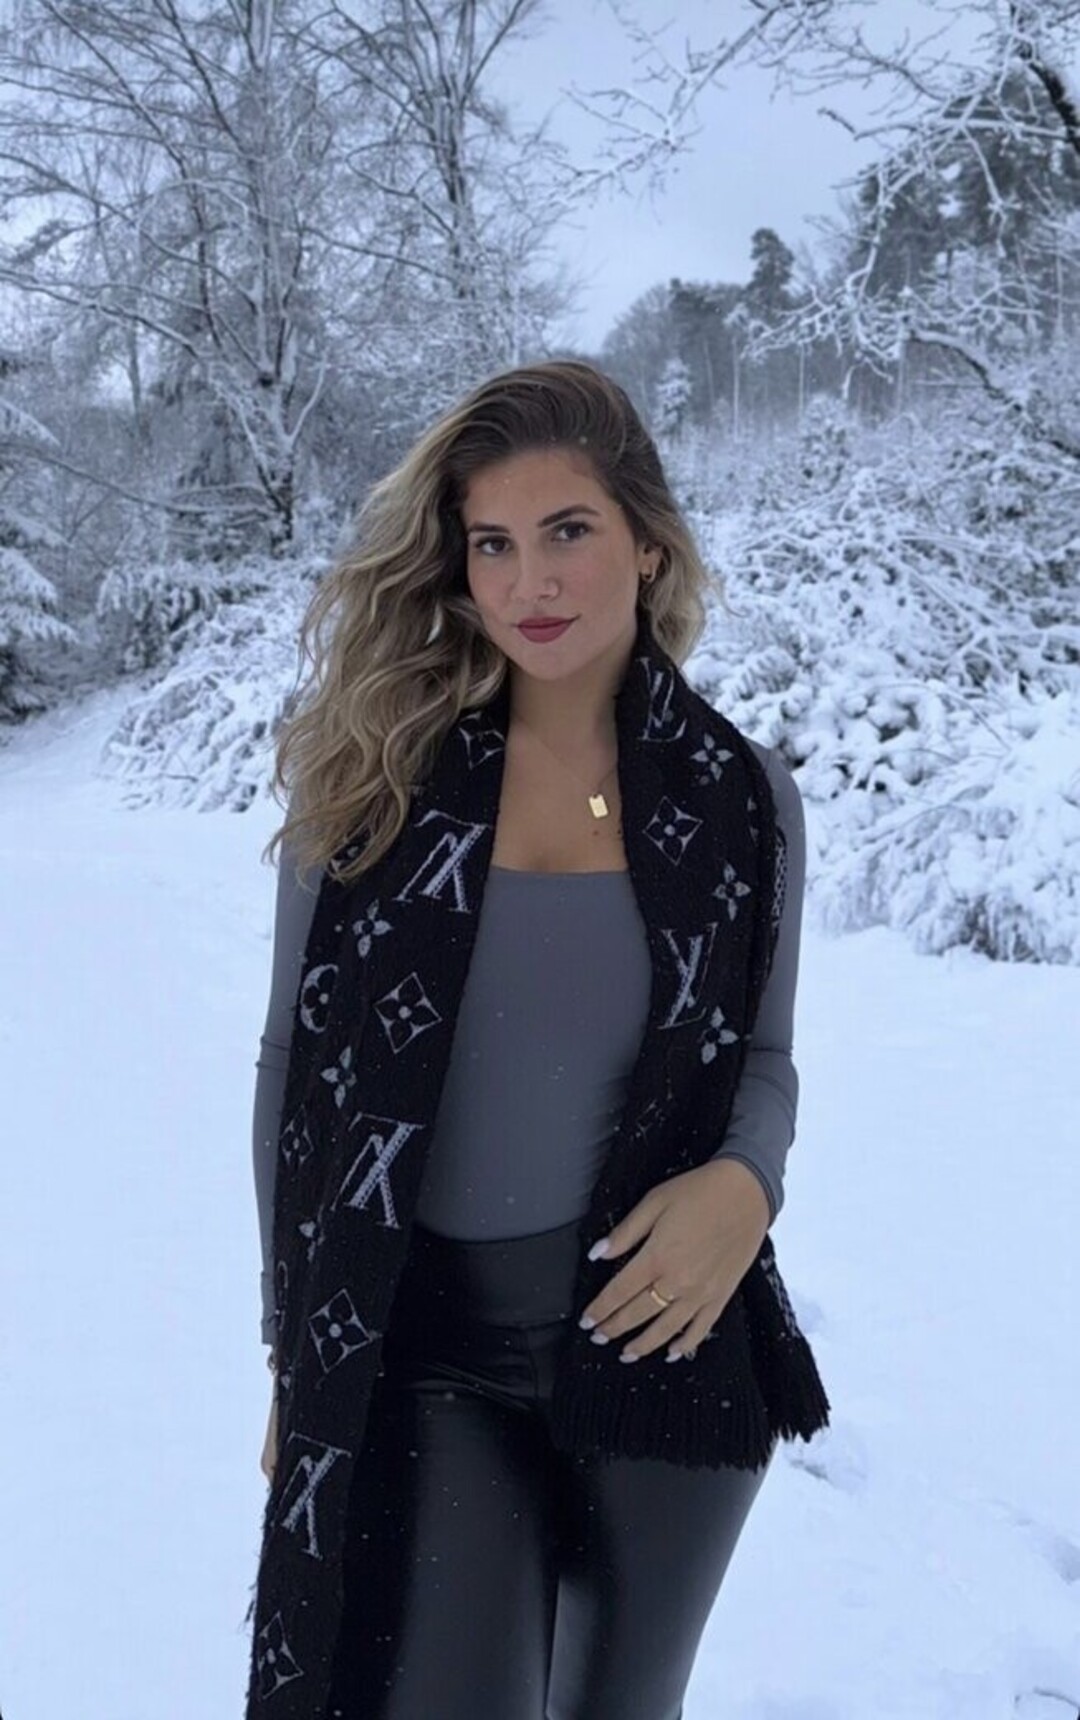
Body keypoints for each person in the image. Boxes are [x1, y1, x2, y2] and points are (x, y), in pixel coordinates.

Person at [245, 360, 829, 1720]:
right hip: (432, 1343)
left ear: (647, 540)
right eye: (492, 545)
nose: (531, 583)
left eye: (568, 530)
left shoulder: (742, 796)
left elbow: (764, 1058)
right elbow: (291, 1074)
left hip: (662, 1331)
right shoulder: (374, 782)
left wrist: (746, 1185)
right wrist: (298, 1352)